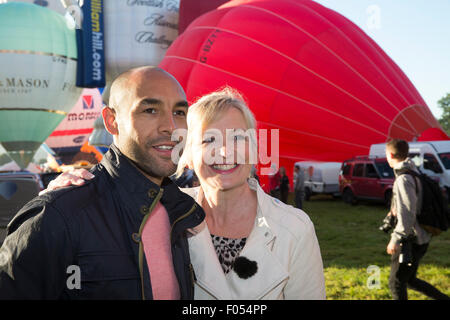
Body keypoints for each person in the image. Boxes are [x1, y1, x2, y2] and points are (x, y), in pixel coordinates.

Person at [44, 87, 326, 300]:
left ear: (254, 149)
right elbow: (100, 218)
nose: (224, 152)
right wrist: (66, 191)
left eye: (238, 138)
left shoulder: (294, 228)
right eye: (208, 139)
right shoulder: (160, 212)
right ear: (186, 154)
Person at [0, 66, 205, 299]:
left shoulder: (182, 210)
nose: (171, 126)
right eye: (150, 110)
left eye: (179, 113)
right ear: (111, 121)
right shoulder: (57, 214)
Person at [385, 139, 449, 300]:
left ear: (391, 155)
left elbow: (407, 214)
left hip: (410, 241)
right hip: (422, 237)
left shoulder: (403, 179)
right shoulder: (414, 171)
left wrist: (395, 239)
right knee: (410, 280)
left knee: (396, 283)